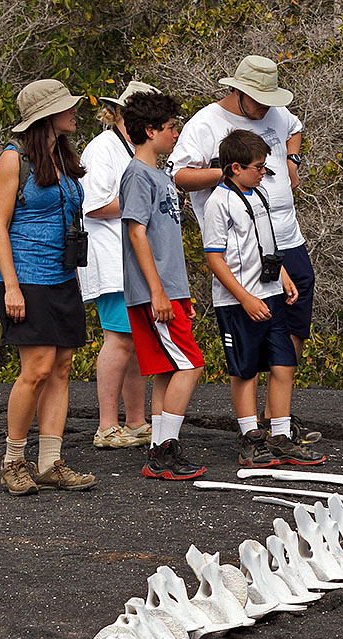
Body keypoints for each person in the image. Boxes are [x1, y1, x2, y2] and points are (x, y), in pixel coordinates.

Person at [169, 54, 321, 445]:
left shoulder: (278, 112)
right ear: (237, 90)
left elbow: (295, 127)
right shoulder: (206, 123)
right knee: (248, 340)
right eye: (258, 98)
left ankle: (278, 418)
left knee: (291, 320)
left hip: (286, 236)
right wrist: (228, 173)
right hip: (240, 242)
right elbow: (181, 175)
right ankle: (251, 429)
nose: (265, 106)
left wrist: (291, 160)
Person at [0, 79, 96, 495]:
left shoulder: (62, 157)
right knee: (34, 370)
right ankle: (13, 460)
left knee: (62, 368)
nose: (74, 112)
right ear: (46, 116)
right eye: (66, 107)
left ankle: (50, 462)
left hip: (63, 276)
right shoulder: (13, 160)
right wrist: (10, 287)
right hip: (28, 277)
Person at [203, 129, 326, 467]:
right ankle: (250, 438)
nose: (263, 173)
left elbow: (267, 245)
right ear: (235, 167)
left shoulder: (259, 195)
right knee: (245, 370)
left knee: (284, 363)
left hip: (270, 293)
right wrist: (244, 298)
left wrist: (283, 275)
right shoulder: (219, 202)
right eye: (258, 168)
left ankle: (281, 435)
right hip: (239, 300)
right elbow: (215, 257)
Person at [118, 91, 206, 480]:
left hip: (170, 287)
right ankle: (165, 449)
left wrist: (178, 292)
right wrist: (157, 292)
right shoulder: (137, 174)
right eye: (171, 127)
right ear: (150, 130)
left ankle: (159, 450)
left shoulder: (160, 174)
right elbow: (136, 233)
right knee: (191, 363)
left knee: (168, 369)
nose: (176, 133)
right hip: (156, 290)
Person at [79, 81, 159, 450]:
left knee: (135, 340)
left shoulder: (132, 149)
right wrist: (143, 205)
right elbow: (94, 203)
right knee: (119, 340)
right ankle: (107, 425)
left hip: (129, 259)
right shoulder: (102, 149)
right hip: (110, 259)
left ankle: (136, 420)